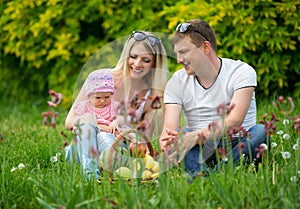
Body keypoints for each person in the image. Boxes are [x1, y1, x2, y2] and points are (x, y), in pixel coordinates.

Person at [159, 19, 267, 178]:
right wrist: (168, 141)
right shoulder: (177, 81)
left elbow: (235, 121)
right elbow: (169, 129)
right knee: (183, 134)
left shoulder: (241, 72)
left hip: (239, 143)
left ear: (205, 47)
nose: (179, 60)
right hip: (202, 148)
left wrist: (196, 136)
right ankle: (218, 173)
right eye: (177, 53)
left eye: (183, 52)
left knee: (260, 131)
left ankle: (208, 175)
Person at [65, 31, 169, 180]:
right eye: (133, 57)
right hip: (87, 142)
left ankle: (105, 167)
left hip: (116, 147)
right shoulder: (99, 78)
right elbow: (69, 122)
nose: (137, 64)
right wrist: (103, 127)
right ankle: (92, 171)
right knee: (100, 135)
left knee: (109, 142)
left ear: (155, 63)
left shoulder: (151, 96)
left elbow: (142, 143)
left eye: (146, 60)